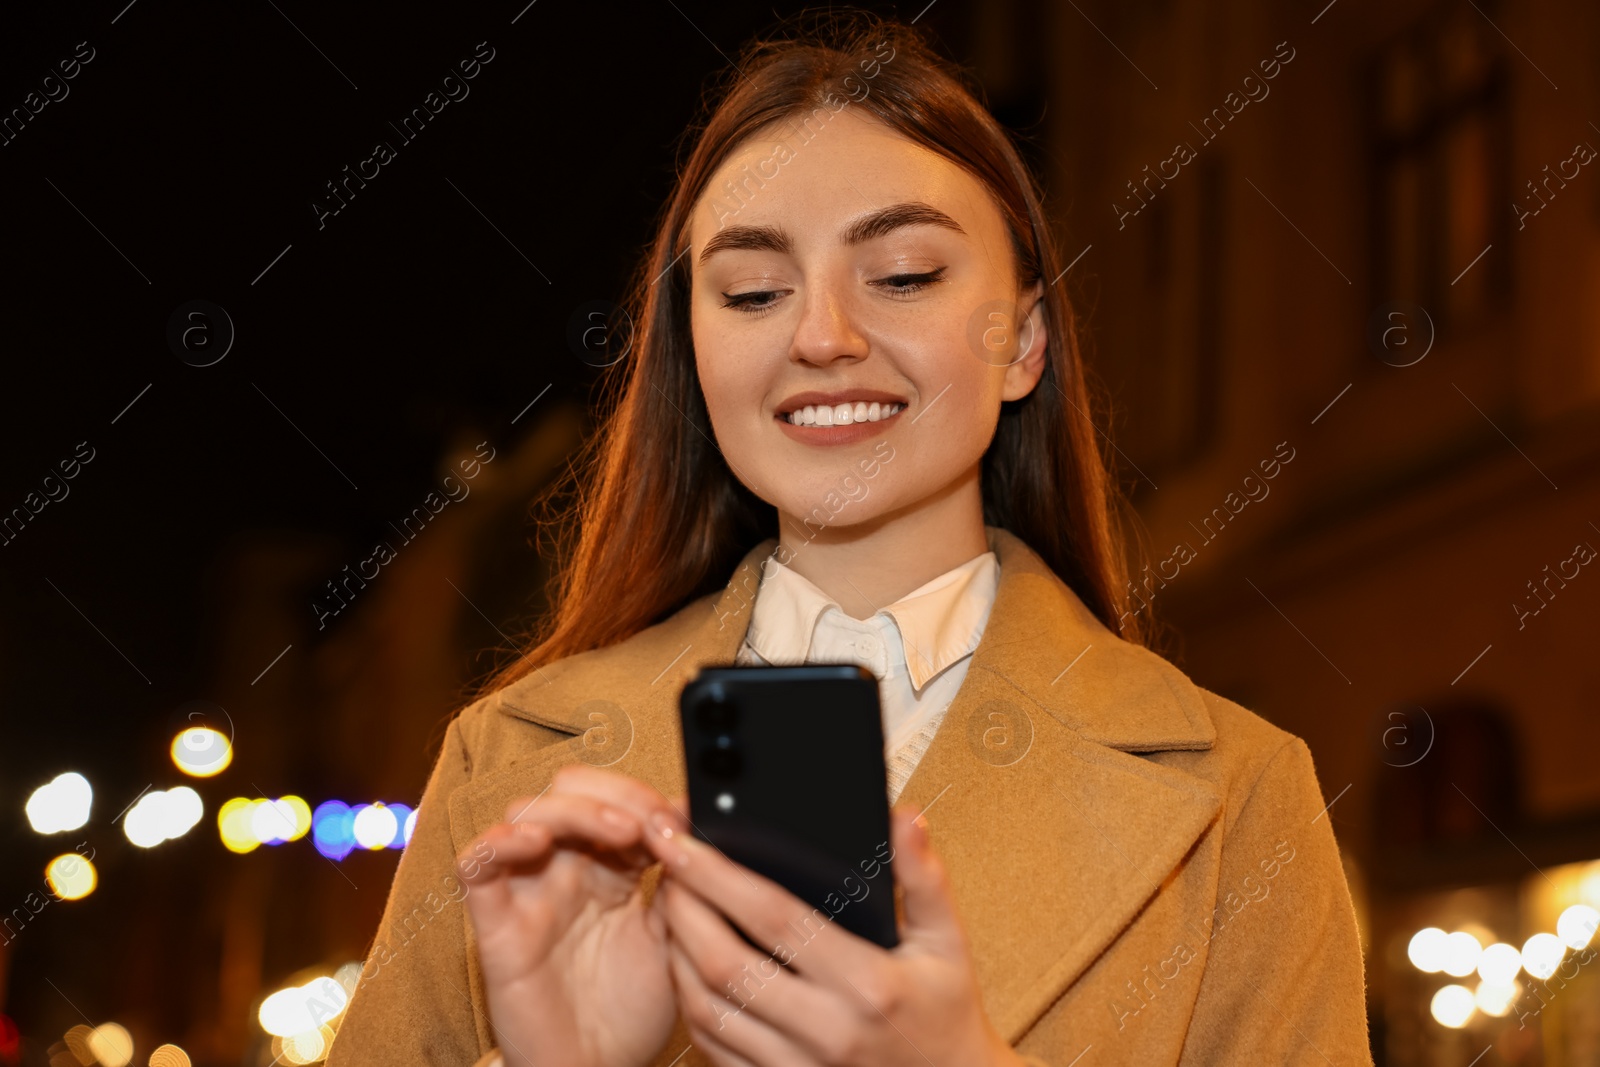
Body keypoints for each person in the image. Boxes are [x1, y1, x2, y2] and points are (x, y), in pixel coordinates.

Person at [325, 11, 1372, 1067]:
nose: (822, 334)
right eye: (752, 291)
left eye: (906, 274)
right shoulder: (508, 764)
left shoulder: (1242, 794)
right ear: (692, 354)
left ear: (1024, 342)